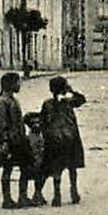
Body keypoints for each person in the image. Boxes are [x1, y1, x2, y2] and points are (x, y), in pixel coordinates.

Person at [37, 76, 88, 206]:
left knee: (56, 169)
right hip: (70, 137)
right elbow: (82, 99)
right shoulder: (68, 102)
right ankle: (74, 191)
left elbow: (43, 121)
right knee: (72, 167)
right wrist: (72, 90)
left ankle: (57, 195)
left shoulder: (47, 103)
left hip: (55, 139)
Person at [0, 71, 33, 208]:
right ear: (10, 84)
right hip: (9, 142)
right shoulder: (3, 102)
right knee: (7, 169)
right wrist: (5, 142)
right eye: (17, 82)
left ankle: (22, 196)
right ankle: (7, 199)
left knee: (25, 167)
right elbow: (0, 125)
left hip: (18, 140)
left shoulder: (12, 100)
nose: (20, 84)